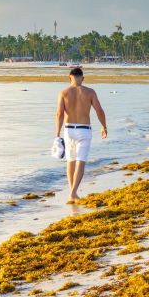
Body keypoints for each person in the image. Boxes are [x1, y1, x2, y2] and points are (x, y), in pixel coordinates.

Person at [55, 67, 107, 204]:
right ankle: (73, 192)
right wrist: (104, 126)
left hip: (68, 130)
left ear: (69, 78)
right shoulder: (90, 92)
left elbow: (59, 114)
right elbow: (99, 111)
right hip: (84, 130)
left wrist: (57, 134)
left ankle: (72, 191)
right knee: (81, 161)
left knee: (70, 161)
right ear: (82, 79)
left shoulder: (63, 93)